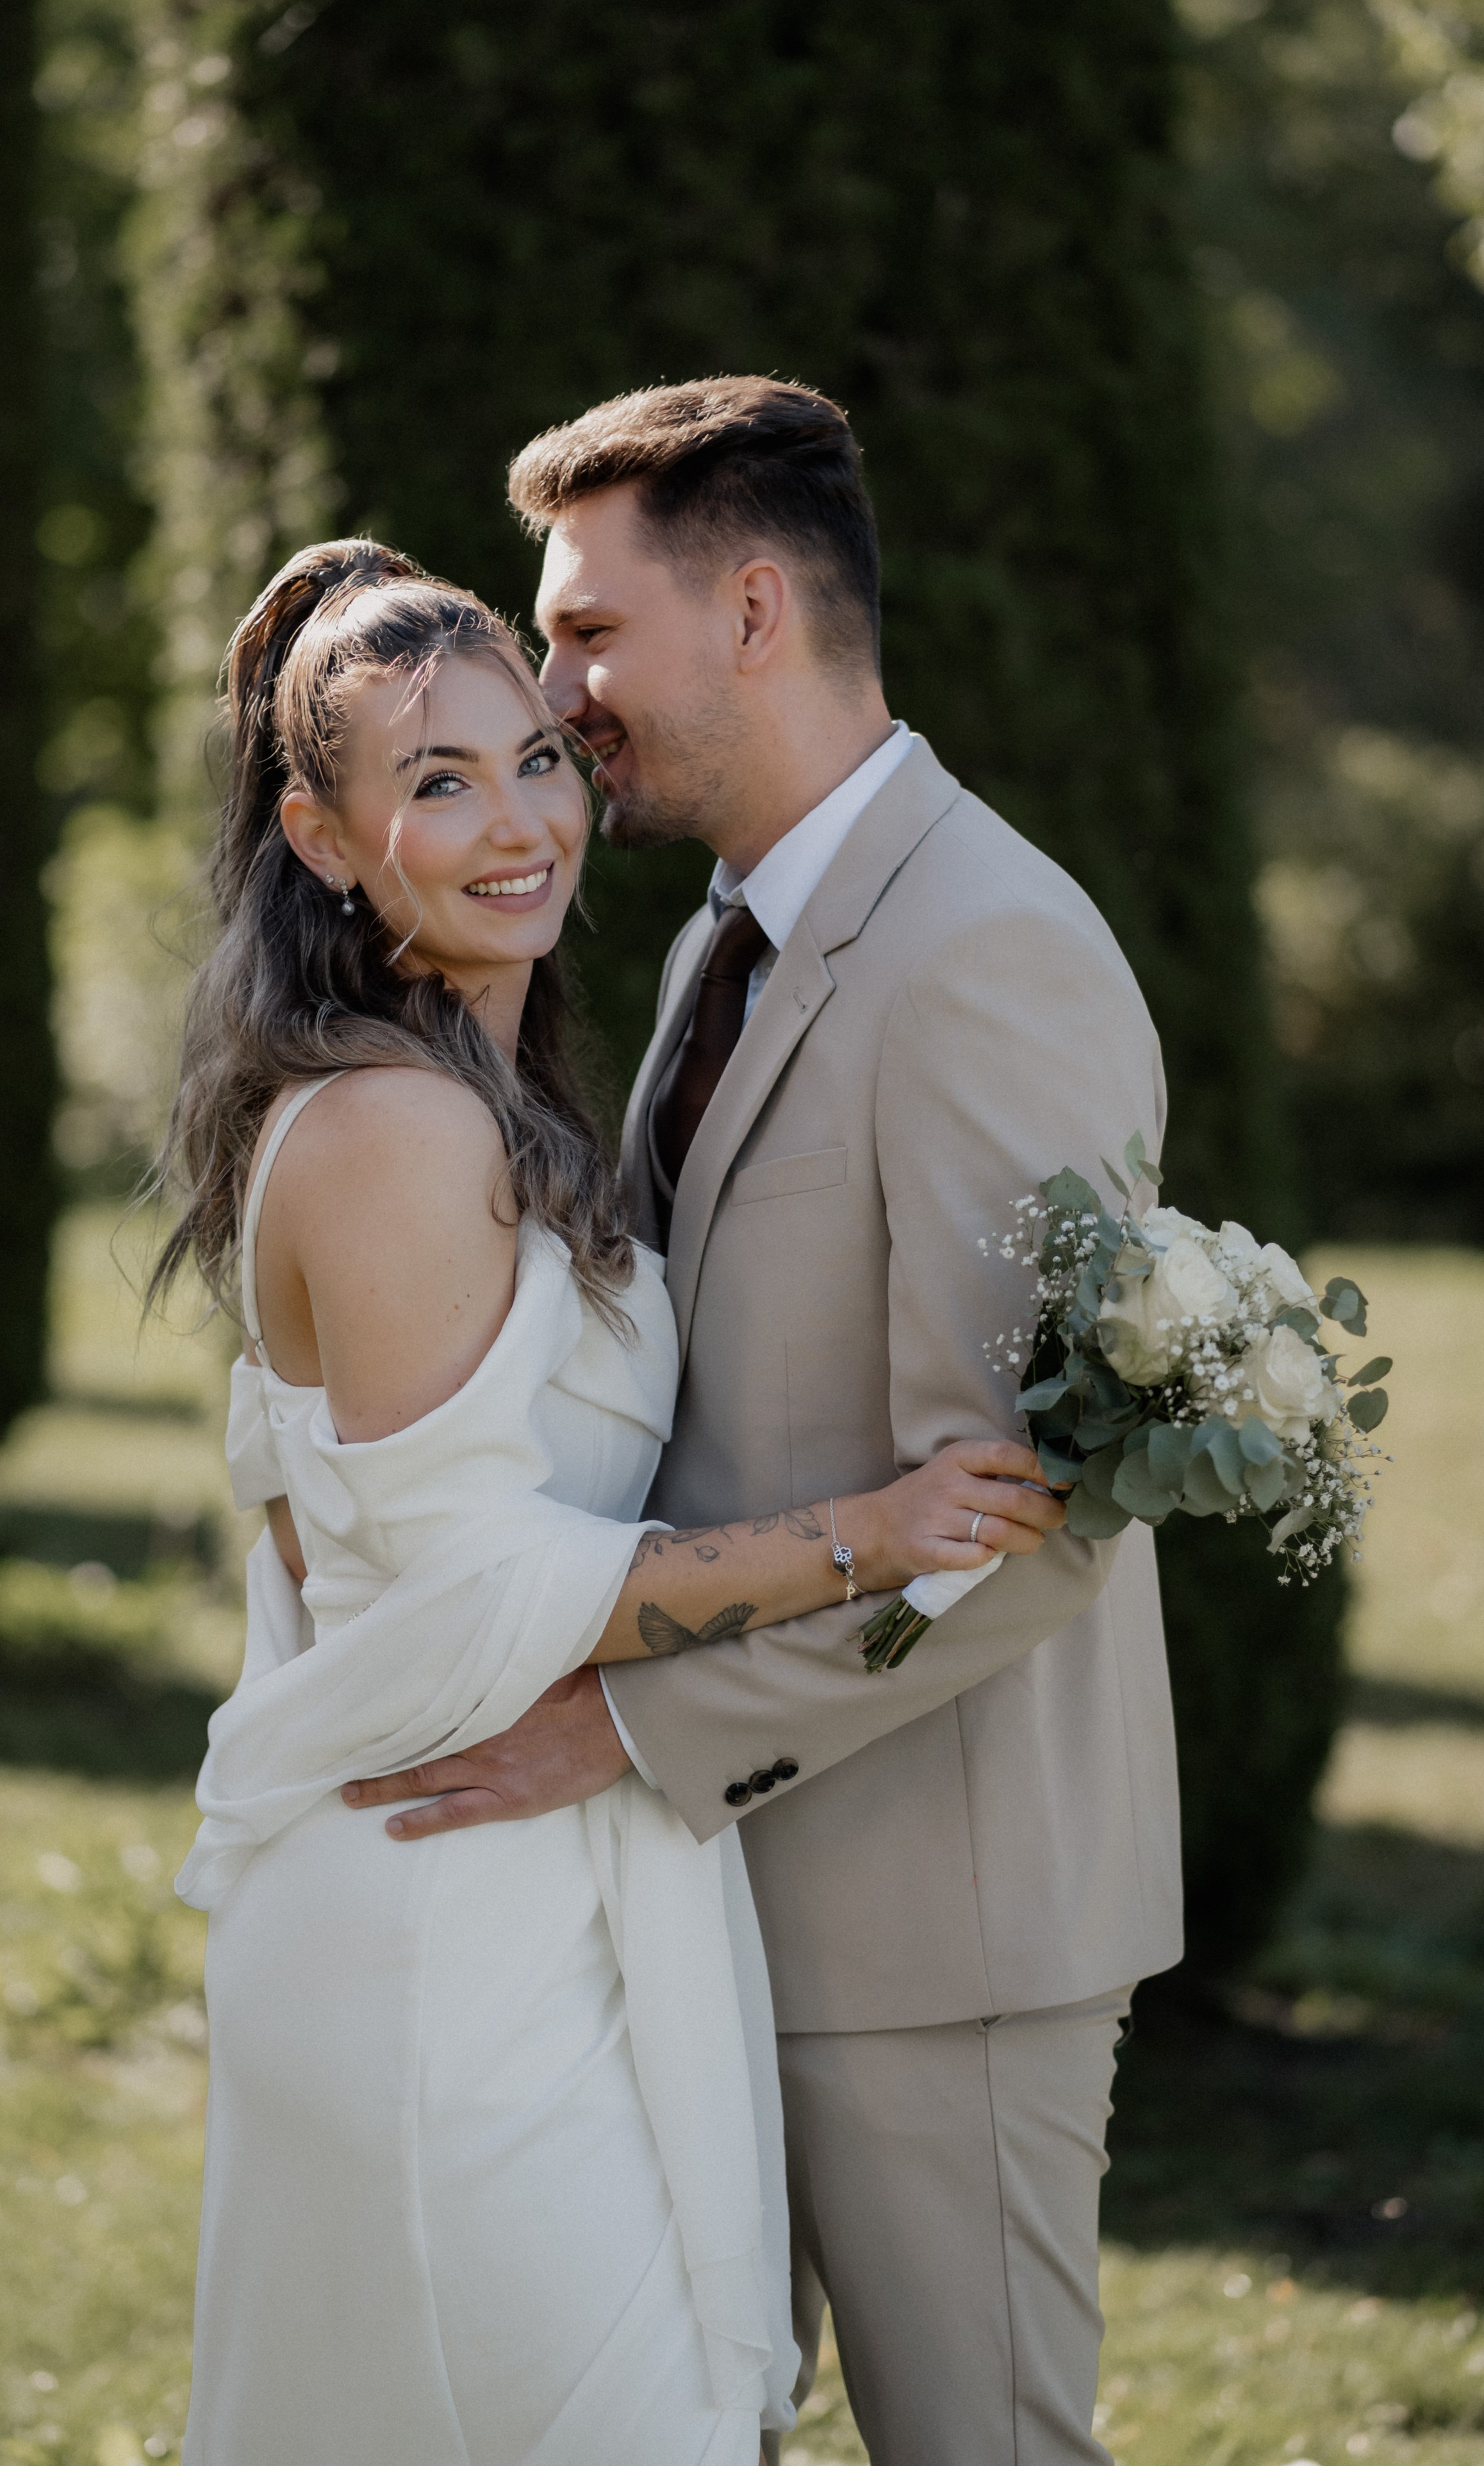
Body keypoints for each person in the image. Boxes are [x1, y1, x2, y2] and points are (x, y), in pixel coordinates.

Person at [344, 380, 1185, 2466]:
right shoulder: (735, 931)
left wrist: (624, 1735)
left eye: (587, 634)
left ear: (747, 612)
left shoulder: (986, 952)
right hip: (728, 1893)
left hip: (939, 1924)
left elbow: (1033, 1522)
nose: (555, 691)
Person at [155, 538, 1065, 2466]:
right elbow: (477, 1580)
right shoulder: (394, 1130)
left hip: (549, 1875)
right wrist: (871, 1536)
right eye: (439, 783)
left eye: (534, 760)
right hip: (435, 1913)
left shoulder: (505, 1097)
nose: (520, 823)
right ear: (322, 840)